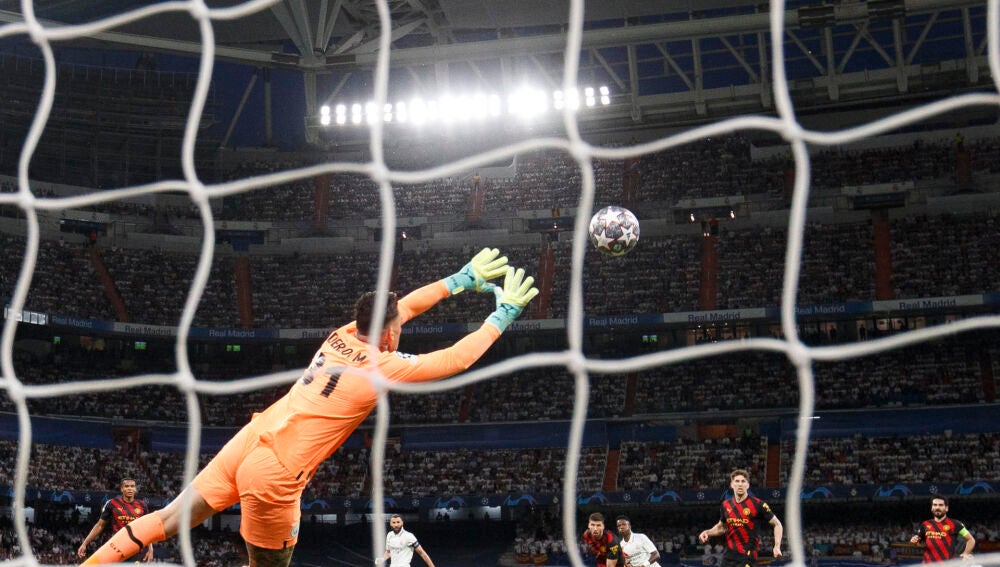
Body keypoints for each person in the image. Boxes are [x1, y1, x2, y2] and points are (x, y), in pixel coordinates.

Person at [80, 248, 537, 567]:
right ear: (387, 334)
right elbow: (454, 359)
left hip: (251, 439)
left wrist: (460, 281)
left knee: (166, 520)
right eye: (397, 326)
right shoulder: (384, 365)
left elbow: (401, 307)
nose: (402, 326)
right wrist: (502, 315)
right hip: (276, 474)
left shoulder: (342, 333)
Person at [698, 469, 783, 567]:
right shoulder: (725, 505)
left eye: (743, 481)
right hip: (728, 556)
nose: (740, 484)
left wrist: (777, 546)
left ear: (748, 485)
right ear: (732, 484)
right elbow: (722, 527)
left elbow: (777, 524)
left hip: (747, 556)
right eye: (737, 481)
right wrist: (707, 532)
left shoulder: (758, 504)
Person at [77, 478, 154, 562]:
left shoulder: (142, 505)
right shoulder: (112, 503)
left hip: (136, 548)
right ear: (121, 489)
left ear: (135, 489)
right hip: (117, 547)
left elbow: (147, 528)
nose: (130, 488)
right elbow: (100, 525)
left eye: (132, 486)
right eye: (126, 486)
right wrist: (85, 543)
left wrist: (150, 549)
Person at [909, 494, 975, 563]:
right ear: (932, 508)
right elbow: (921, 543)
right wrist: (915, 541)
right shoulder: (925, 524)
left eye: (940, 505)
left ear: (946, 508)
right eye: (935, 505)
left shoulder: (956, 524)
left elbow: (971, 539)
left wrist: (965, 553)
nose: (937, 507)